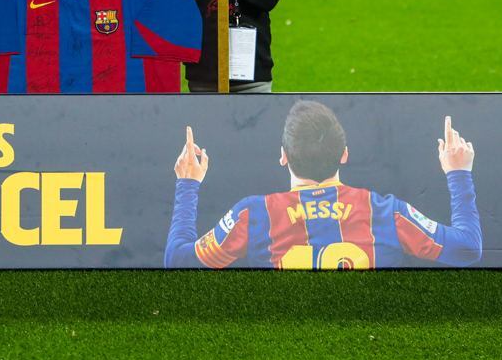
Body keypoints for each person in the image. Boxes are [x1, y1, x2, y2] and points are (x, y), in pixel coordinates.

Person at [165, 102, 482, 269]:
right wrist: (459, 172)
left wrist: (187, 184)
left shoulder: (253, 215)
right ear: (345, 155)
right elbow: (467, 247)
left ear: (283, 157)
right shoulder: (384, 212)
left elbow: (177, 262)